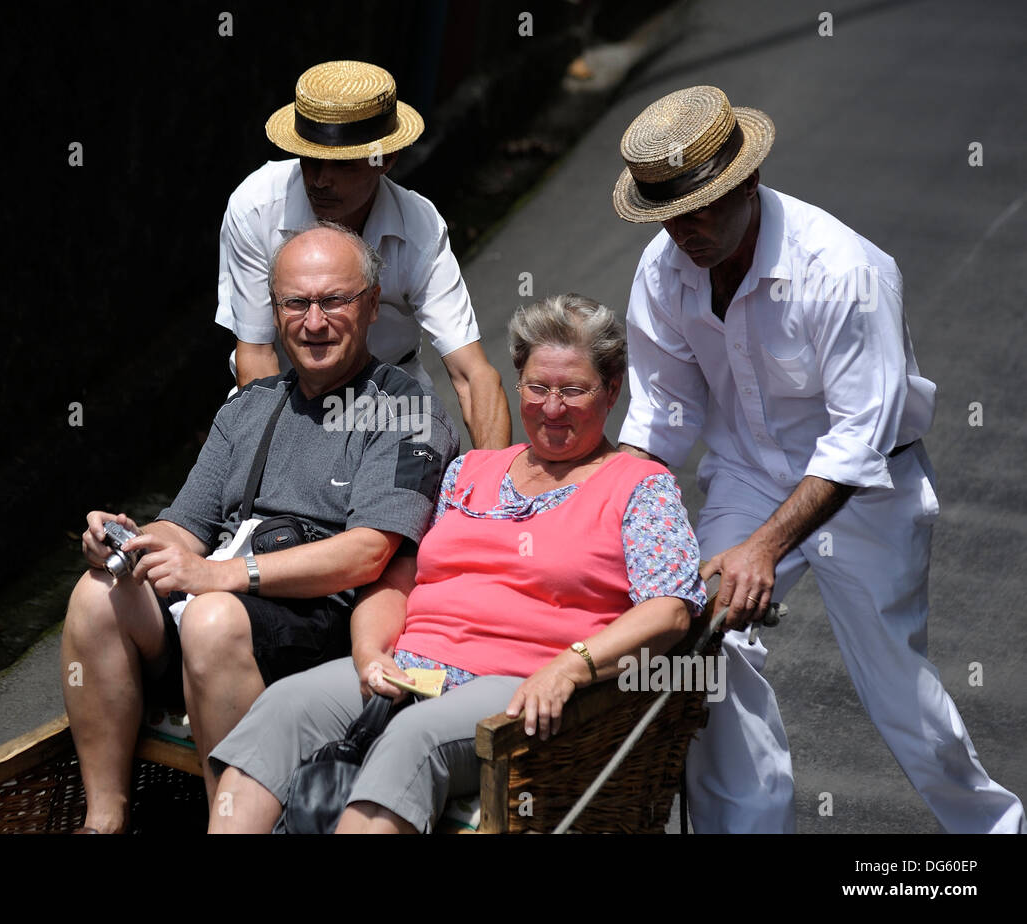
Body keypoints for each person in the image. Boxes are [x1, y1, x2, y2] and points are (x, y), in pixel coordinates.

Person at [611, 85, 1025, 832]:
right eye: (670, 215)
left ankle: (998, 830)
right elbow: (663, 415)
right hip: (744, 472)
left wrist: (763, 549)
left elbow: (856, 438)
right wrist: (607, 512)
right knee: (699, 642)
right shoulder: (662, 269)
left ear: (747, 182)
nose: (688, 231)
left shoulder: (846, 269)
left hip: (866, 488)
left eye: (702, 208)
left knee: (898, 693)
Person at [207, 294, 708, 833]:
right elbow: (399, 576)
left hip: (519, 679)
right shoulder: (469, 470)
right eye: (538, 387)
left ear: (612, 391)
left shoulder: (640, 487)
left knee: (411, 740)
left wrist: (571, 665)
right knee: (285, 707)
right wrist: (370, 651)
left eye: (574, 390)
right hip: (418, 666)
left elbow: (670, 611)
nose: (552, 407)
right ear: (519, 384)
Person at [61, 222, 457, 832]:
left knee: (215, 618)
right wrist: (123, 538)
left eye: (334, 300)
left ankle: (237, 820)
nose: (314, 321)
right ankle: (104, 820)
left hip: (318, 621)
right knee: (95, 596)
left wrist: (223, 575)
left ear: (373, 305)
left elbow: (368, 553)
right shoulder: (250, 405)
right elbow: (184, 530)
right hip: (219, 604)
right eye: (296, 303)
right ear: (275, 313)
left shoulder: (406, 410)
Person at [217, 59, 511, 450]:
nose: (320, 180)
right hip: (279, 398)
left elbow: (473, 375)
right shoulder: (255, 207)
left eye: (341, 165)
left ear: (385, 160)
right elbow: (255, 358)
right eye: (310, 159)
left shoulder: (420, 226)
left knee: (411, 502)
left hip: (393, 406)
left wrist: (496, 492)